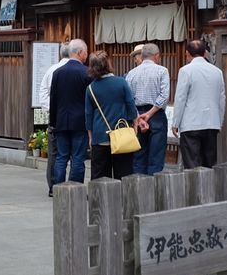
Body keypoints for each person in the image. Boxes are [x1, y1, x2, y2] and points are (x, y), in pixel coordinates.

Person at [171, 39, 225, 168]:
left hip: (191, 123)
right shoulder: (217, 72)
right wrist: (220, 121)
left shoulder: (186, 71)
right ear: (205, 53)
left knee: (192, 164)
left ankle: (194, 189)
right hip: (212, 123)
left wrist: (175, 123)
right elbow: (222, 99)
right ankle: (210, 188)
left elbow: (180, 98)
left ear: (188, 53)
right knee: (209, 164)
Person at [85, 50, 138, 179]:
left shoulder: (91, 88)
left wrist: (90, 136)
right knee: (124, 174)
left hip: (100, 136)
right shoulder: (121, 82)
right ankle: (124, 199)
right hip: (121, 135)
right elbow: (131, 106)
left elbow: (88, 115)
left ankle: (101, 199)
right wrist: (134, 124)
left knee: (100, 176)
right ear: (108, 63)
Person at [49, 38, 90, 185]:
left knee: (61, 157)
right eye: (85, 52)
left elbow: (53, 99)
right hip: (80, 121)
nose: (86, 55)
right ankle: (74, 187)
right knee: (78, 157)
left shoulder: (58, 72)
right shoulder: (86, 73)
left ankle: (58, 187)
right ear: (80, 53)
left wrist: (52, 121)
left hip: (61, 120)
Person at [126, 43, 170, 175]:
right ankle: (155, 191)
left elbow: (128, 99)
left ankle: (138, 189)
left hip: (137, 115)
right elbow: (164, 96)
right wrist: (149, 114)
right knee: (156, 156)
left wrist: (138, 117)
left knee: (138, 156)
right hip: (156, 114)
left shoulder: (131, 74)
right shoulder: (162, 71)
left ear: (142, 56)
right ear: (156, 56)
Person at [38, 42, 71, 197]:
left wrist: (52, 109)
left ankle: (53, 185)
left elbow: (43, 93)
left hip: (55, 116)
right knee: (74, 154)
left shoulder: (51, 70)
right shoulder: (78, 70)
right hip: (74, 117)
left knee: (55, 153)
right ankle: (72, 185)